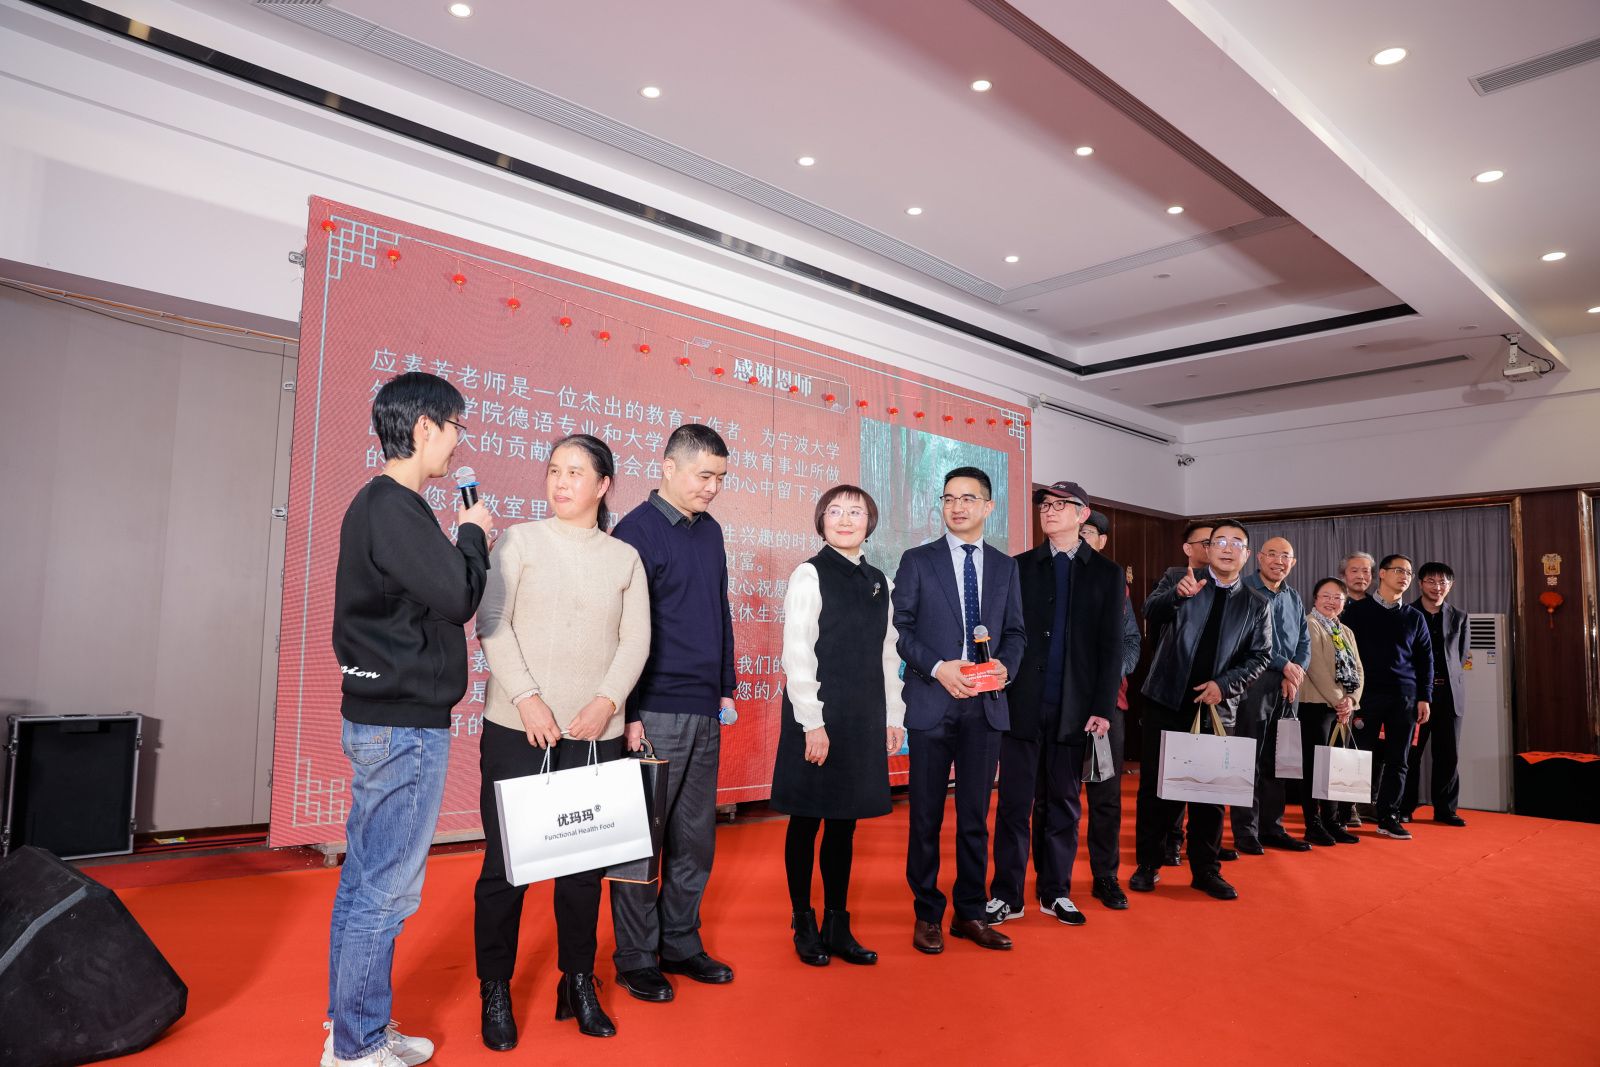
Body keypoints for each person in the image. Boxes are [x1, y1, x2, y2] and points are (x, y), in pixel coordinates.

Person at [325, 372, 492, 1067]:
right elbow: (457, 595)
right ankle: (358, 1047)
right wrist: (474, 535)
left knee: (365, 879)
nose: (457, 443)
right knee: (385, 889)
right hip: (403, 727)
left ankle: (351, 1027)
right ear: (425, 427)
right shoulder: (395, 507)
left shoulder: (378, 505)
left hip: (382, 718)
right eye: (455, 428)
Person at [473, 434, 650, 1043]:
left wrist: (606, 702)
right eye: (554, 470)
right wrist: (527, 698)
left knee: (583, 867)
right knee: (506, 866)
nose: (561, 482)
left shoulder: (623, 558)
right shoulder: (519, 542)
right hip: (516, 728)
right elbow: (492, 623)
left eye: (576, 472)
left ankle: (577, 980)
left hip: (593, 732)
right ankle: (495, 988)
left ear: (603, 486)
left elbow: (635, 640)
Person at [608, 423, 737, 1001]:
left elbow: (719, 610)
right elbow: (621, 632)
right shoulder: (635, 532)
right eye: (704, 475)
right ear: (668, 467)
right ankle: (636, 956)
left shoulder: (711, 532)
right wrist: (630, 711)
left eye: (720, 478)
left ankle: (680, 943)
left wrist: (726, 686)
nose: (713, 488)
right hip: (653, 711)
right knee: (641, 840)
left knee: (694, 838)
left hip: (704, 707)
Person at [771, 486, 906, 967]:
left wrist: (893, 716)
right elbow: (797, 652)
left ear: (869, 522)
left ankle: (837, 924)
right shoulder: (809, 573)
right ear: (821, 520)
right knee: (806, 819)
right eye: (835, 511)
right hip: (817, 718)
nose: (845, 519)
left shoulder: (880, 581)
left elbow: (888, 654)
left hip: (862, 717)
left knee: (844, 824)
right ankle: (803, 921)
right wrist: (812, 722)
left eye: (855, 511)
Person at [893, 466, 1026, 954]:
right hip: (934, 701)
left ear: (988, 506)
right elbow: (902, 629)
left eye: (968, 498)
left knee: (974, 817)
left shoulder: (1005, 567)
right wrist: (938, 668)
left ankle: (970, 912)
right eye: (949, 498)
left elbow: (1016, 633)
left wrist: (1005, 668)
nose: (957, 507)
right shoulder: (917, 560)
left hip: (985, 707)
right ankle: (927, 913)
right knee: (925, 817)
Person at [988, 482, 1123, 928]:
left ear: (1082, 515)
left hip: (1075, 709)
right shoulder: (1019, 567)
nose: (1050, 511)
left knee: (1064, 803)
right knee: (1014, 804)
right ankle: (1006, 894)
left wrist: (1102, 706)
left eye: (1061, 505)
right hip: (1022, 703)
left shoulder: (1106, 574)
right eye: (1046, 505)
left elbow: (1111, 648)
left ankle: (1056, 891)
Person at [1131, 519, 1271, 901]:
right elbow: (1149, 610)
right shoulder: (1181, 578)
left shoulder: (1257, 603)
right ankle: (1149, 863)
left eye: (1236, 543)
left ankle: (1206, 870)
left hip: (1215, 708)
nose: (1227, 548)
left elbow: (1261, 656)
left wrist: (1223, 686)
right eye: (1219, 541)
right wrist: (1176, 597)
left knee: (1209, 794)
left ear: (1246, 554)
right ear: (1207, 550)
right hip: (1166, 699)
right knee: (1156, 789)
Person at [1075, 510, 1140, 910]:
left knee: (1106, 796)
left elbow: (1131, 642)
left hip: (1107, 706)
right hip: (1063, 704)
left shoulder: (1115, 582)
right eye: (1077, 530)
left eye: (1088, 532)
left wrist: (1105, 677)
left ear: (1102, 542)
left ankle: (1105, 876)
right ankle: (1053, 878)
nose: (1080, 536)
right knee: (1056, 796)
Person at [1342, 554, 1433, 840]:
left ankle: (1388, 816)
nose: (1405, 576)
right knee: (1358, 755)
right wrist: (1346, 693)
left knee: (1399, 759)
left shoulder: (1414, 617)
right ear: (1381, 573)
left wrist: (1424, 697)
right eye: (1398, 570)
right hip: (1365, 696)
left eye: (1408, 573)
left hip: (1405, 697)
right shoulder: (1357, 612)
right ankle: (1345, 812)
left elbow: (1426, 660)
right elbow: (1344, 655)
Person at [1233, 537, 1312, 854]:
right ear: (1259, 558)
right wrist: (1285, 666)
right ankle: (1245, 830)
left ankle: (1272, 827)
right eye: (1273, 554)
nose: (1279, 561)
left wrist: (1296, 671)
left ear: (1293, 563)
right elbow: (1247, 640)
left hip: (1289, 686)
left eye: (1286, 556)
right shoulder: (1243, 590)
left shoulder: (1293, 597)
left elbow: (1304, 640)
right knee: (1248, 759)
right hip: (1254, 683)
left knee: (1279, 760)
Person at [1143, 521, 1214, 868]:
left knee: (1206, 778)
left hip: (1213, 696)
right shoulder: (1173, 577)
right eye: (1207, 542)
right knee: (1168, 775)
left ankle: (1205, 848)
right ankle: (1168, 843)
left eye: (1220, 541)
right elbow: (1151, 610)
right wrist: (1177, 594)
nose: (1215, 548)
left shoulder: (1232, 585)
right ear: (1188, 548)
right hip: (1171, 693)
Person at [1402, 562, 1469, 827]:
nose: (1437, 587)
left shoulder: (1459, 617)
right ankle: (1404, 807)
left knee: (1448, 755)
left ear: (1450, 585)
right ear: (1420, 584)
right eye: (1431, 581)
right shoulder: (1406, 613)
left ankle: (1446, 810)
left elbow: (1460, 658)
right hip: (1416, 696)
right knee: (1410, 754)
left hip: (1450, 695)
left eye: (1443, 582)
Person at [1299, 578, 1364, 846]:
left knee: (1336, 768)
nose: (1331, 601)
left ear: (1344, 603)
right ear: (1315, 599)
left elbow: (1359, 669)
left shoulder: (1345, 631)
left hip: (1343, 710)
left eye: (1338, 597)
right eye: (1326, 596)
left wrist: (1352, 700)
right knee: (1315, 768)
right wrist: (1340, 701)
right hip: (1316, 707)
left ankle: (1333, 821)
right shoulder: (1309, 624)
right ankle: (1312, 824)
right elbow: (1315, 667)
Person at [1333, 550, 1377, 829]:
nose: (1361, 576)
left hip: (1371, 688)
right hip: (1339, 689)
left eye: (1366, 571)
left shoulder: (1378, 605)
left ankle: (1364, 803)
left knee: (1367, 748)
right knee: (1343, 748)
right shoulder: (1335, 605)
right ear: (1343, 575)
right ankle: (1343, 807)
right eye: (1355, 571)